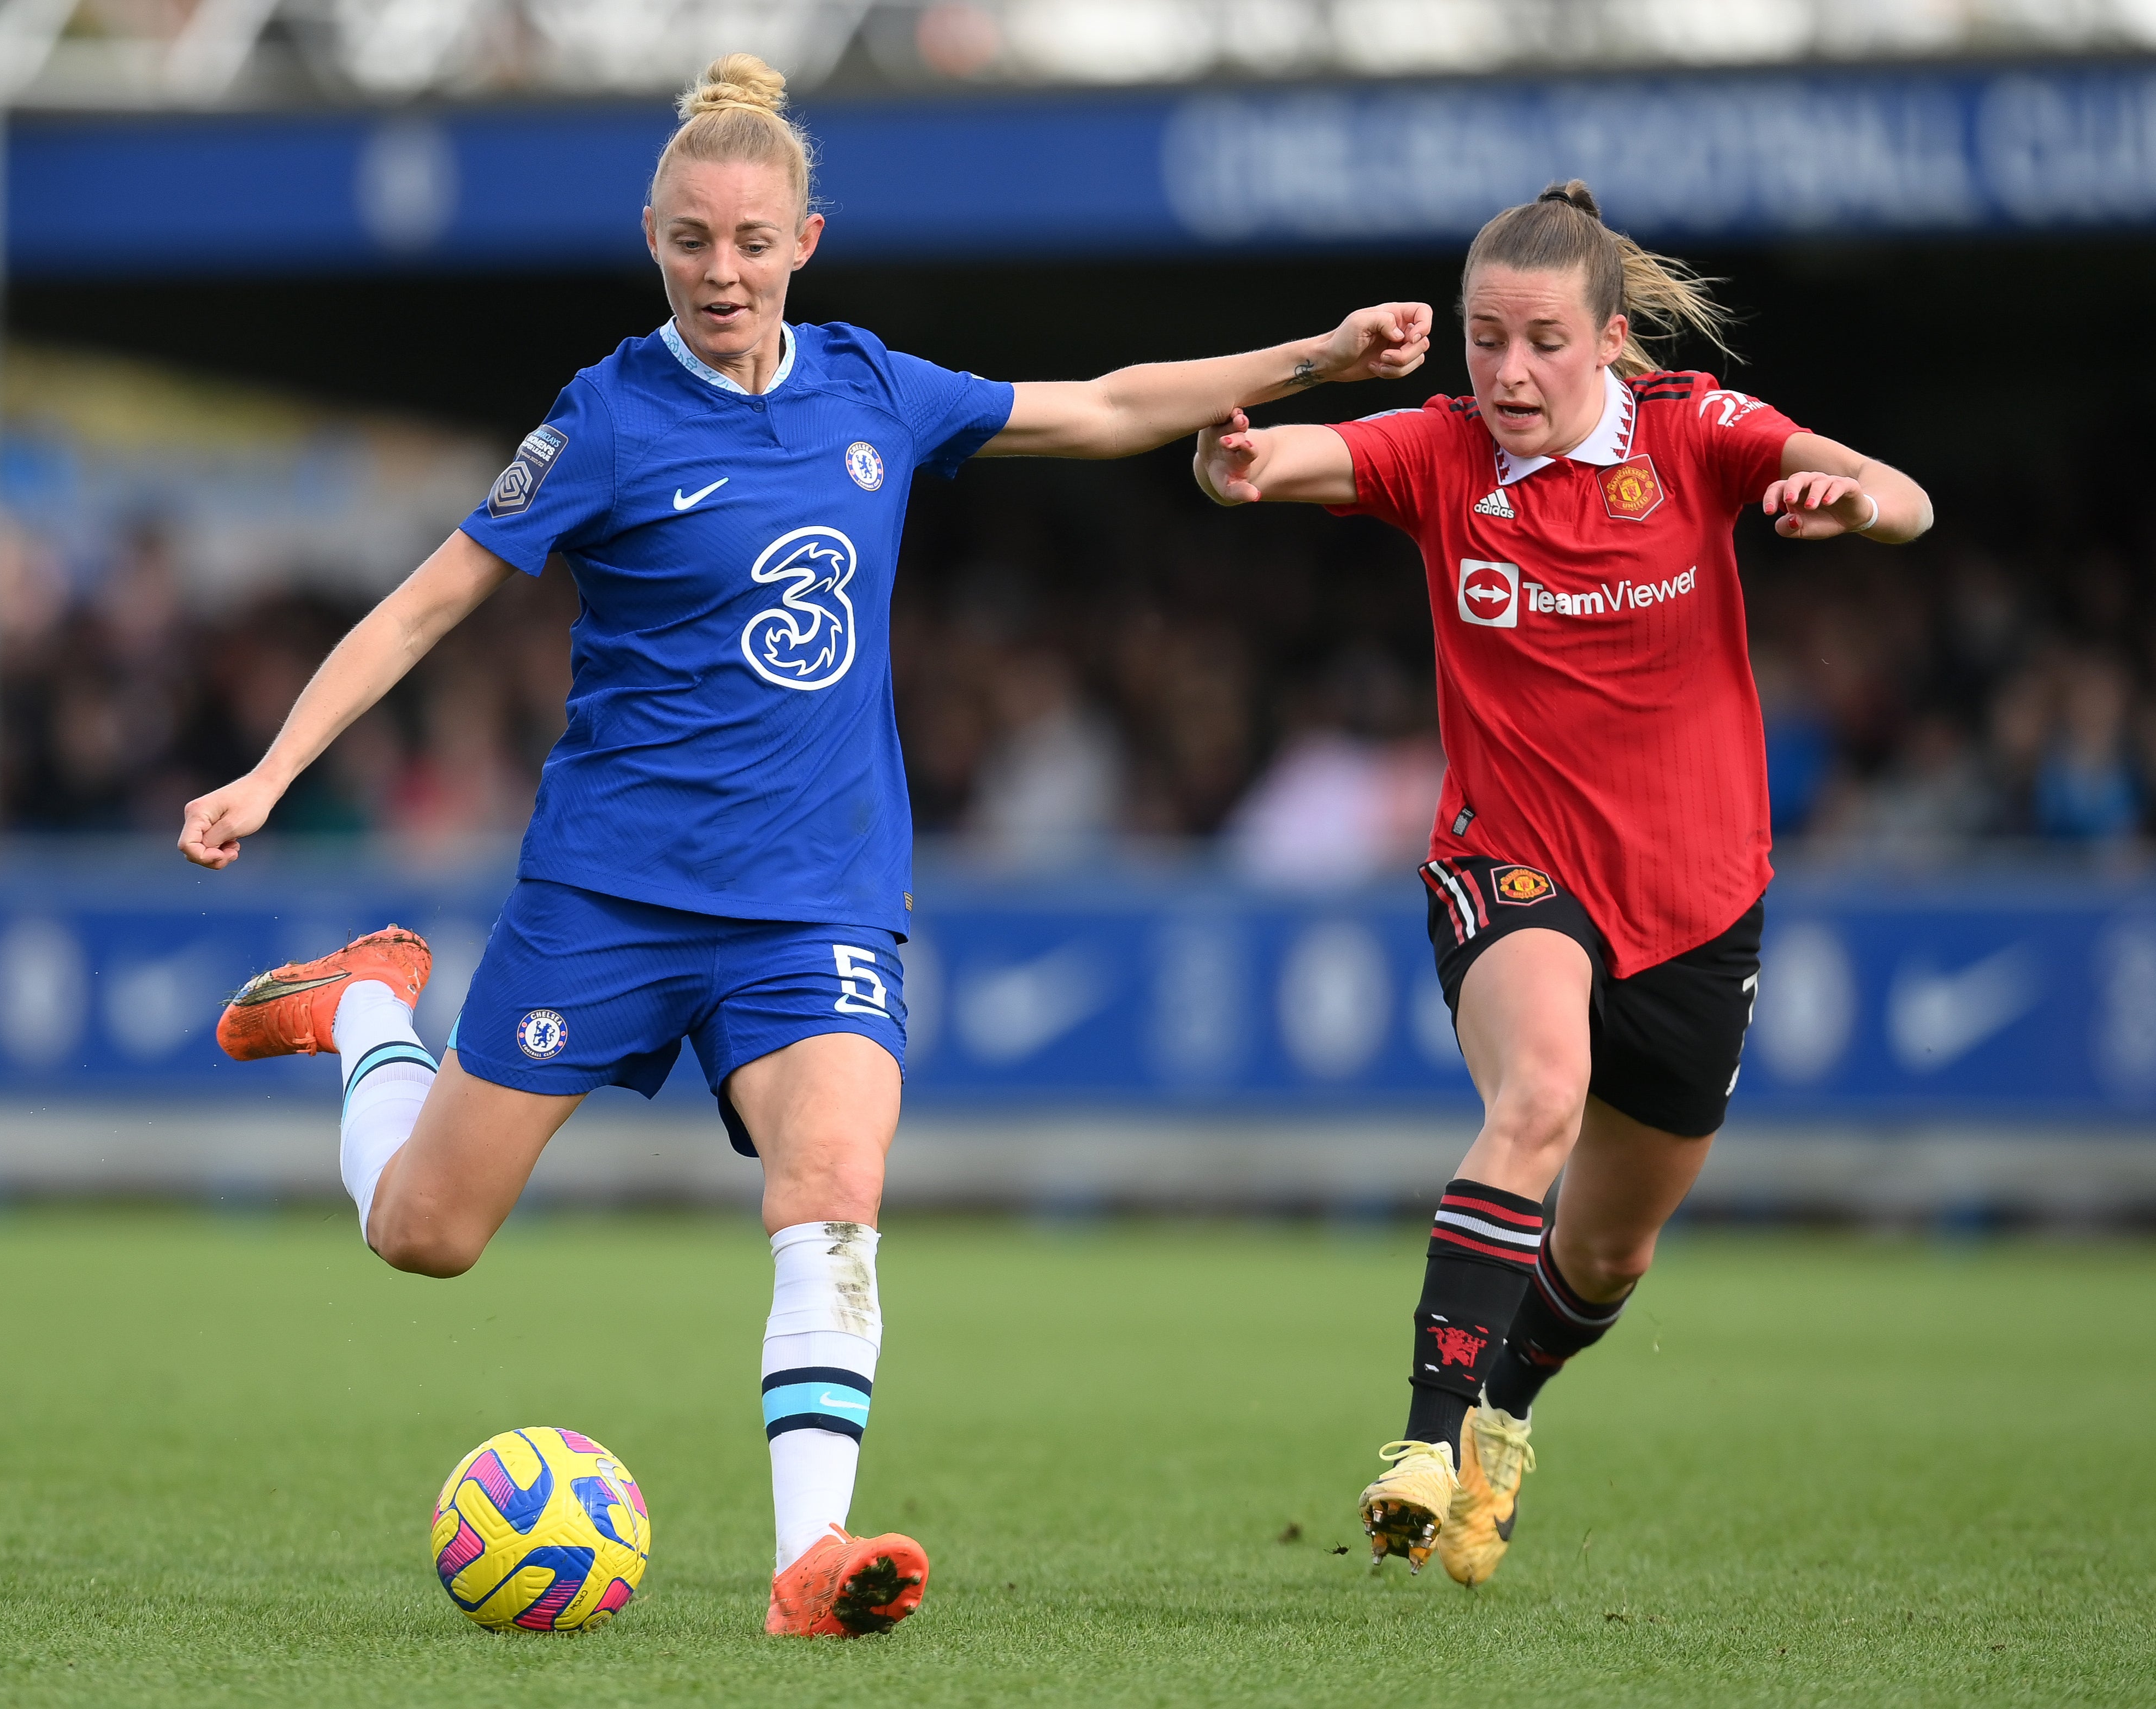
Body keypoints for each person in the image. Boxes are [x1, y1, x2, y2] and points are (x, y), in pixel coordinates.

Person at [177, 53, 1431, 1639]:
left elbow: (1110, 406)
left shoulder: (872, 390)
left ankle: (805, 1563)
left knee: (834, 1180)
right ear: (652, 239)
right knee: (424, 1235)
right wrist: (273, 769)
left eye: (751, 240)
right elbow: (434, 596)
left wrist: (1317, 356)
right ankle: (367, 1006)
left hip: (812, 902)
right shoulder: (606, 418)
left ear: (803, 243)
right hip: (610, 896)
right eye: (691, 240)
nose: (721, 270)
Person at [1194, 180, 1931, 1586]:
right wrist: (1234, 465)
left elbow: (1908, 497)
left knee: (1607, 1251)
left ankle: (1500, 1416)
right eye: (1483, 341)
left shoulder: (1699, 436)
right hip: (1508, 861)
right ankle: (1417, 1442)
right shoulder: (1439, 453)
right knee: (1533, 1095)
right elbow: (1279, 462)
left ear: (1607, 340)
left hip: (1699, 896)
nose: (1508, 373)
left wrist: (1854, 505)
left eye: (1540, 341)